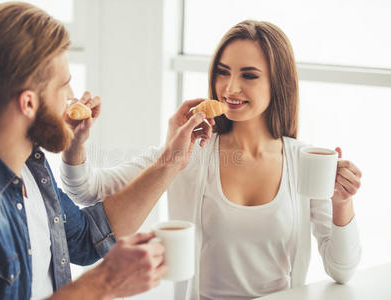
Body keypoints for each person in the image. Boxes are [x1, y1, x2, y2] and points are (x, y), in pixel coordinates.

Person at [61, 20, 362, 300]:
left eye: (249, 75)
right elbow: (86, 190)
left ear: (278, 82)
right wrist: (75, 143)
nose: (230, 88)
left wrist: (341, 202)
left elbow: (342, 269)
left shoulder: (304, 161)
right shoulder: (189, 151)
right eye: (222, 71)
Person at [0, 2, 212, 300]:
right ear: (28, 103)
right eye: (64, 86)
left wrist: (171, 162)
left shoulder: (29, 165)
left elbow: (85, 238)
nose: (72, 99)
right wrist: (103, 283)